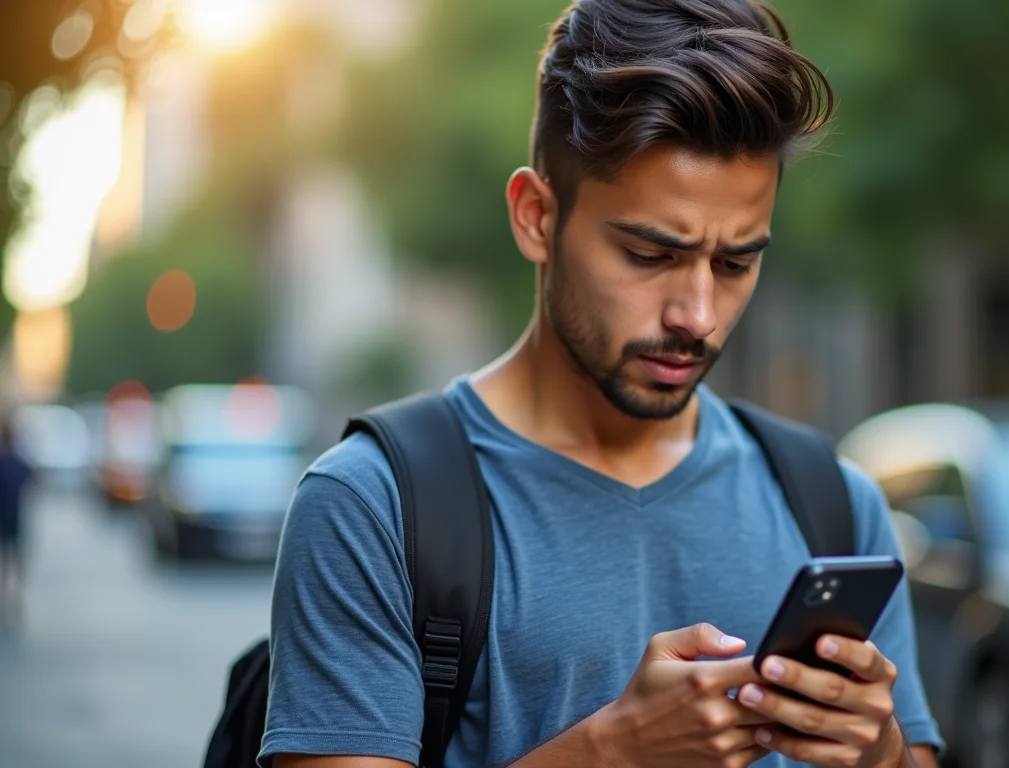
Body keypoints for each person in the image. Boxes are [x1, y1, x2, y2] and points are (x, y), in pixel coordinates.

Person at [263, 1, 943, 766]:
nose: (698, 315)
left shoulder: (833, 504)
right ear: (536, 217)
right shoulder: (373, 506)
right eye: (650, 255)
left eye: (735, 263)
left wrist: (879, 749)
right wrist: (611, 752)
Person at [0, 417, 32, 616]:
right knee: (15, 557)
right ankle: (15, 594)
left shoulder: (5, 463)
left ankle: (7, 594)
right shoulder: (20, 463)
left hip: (5, 516)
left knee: (6, 559)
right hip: (15, 516)